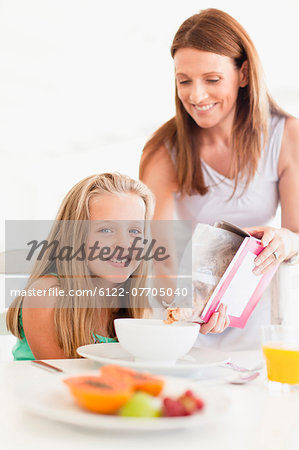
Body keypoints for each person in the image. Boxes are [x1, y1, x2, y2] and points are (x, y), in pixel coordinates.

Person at [139, 8, 299, 349]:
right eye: (184, 81)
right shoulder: (163, 150)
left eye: (212, 80)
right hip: (187, 320)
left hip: (259, 319)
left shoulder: (287, 136)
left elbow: (297, 234)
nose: (196, 96)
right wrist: (189, 310)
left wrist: (285, 240)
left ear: (242, 73)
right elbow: (159, 255)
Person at [6, 173, 154, 360]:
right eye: (106, 230)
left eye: (134, 231)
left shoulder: (134, 298)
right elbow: (71, 382)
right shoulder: (47, 295)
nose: (125, 244)